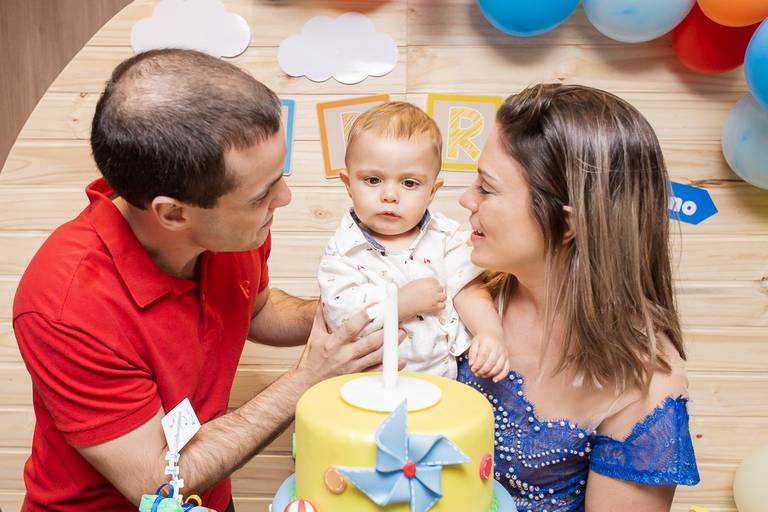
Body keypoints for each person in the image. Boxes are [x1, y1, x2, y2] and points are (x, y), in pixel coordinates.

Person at [12, 49, 394, 512]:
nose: (286, 197)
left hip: (207, 491)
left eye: (280, 177)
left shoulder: (234, 235)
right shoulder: (65, 305)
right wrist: (309, 378)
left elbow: (254, 307)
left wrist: (340, 310)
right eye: (261, 195)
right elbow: (157, 480)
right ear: (174, 213)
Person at [456, 84, 700, 511]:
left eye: (486, 187)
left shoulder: (642, 378)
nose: (465, 199)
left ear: (566, 224)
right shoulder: (461, 285)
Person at [318, 102, 510, 382]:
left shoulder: (445, 237)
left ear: (432, 191)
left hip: (444, 382)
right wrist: (402, 303)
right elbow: (342, 321)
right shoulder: (342, 252)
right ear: (348, 184)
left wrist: (490, 333)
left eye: (409, 183)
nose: (390, 195)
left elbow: (468, 291)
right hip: (369, 384)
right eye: (373, 180)